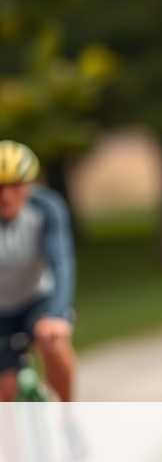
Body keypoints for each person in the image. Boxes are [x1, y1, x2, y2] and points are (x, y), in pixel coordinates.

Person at [0, 140, 77, 402]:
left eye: (15, 185)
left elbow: (60, 261)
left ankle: (69, 418)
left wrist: (56, 314)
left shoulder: (47, 208)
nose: (5, 196)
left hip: (37, 299)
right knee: (5, 391)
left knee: (54, 346)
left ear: (28, 185)